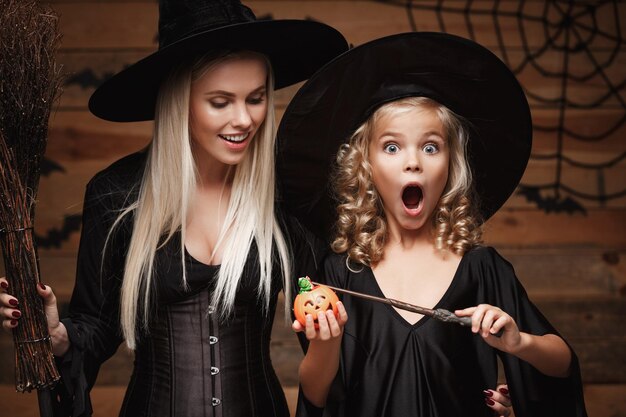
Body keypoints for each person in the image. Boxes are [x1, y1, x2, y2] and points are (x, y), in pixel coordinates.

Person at [0, 1, 348, 416]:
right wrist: (55, 333)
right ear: (179, 100)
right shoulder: (117, 196)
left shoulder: (285, 196)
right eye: (220, 102)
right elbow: (97, 327)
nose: (244, 119)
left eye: (255, 98)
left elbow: (323, 326)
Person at [276, 32, 588, 417]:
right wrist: (326, 343)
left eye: (430, 147)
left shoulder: (482, 268)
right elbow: (318, 396)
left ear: (449, 165)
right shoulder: (340, 274)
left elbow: (561, 363)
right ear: (366, 167)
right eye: (392, 147)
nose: (413, 162)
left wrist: (519, 342)